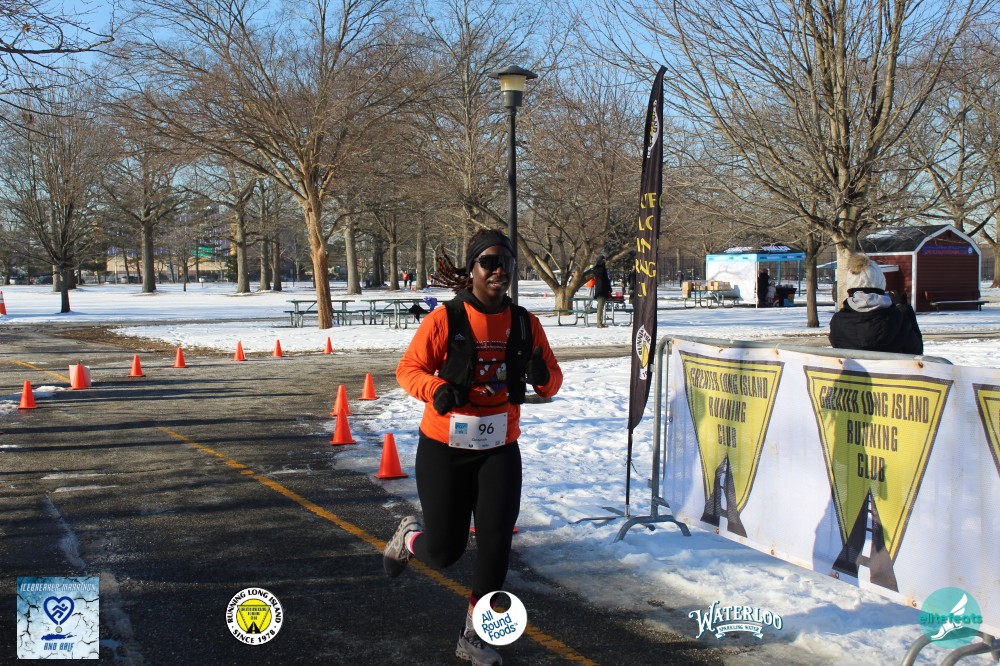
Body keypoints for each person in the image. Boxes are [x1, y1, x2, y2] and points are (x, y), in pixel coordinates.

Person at [385, 229, 563, 666]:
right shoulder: (445, 319)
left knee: (496, 544)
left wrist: (543, 376)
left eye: (507, 262)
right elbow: (408, 369)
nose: (499, 270)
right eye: (489, 262)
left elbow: (552, 381)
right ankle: (410, 537)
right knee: (445, 552)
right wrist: (436, 389)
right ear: (472, 268)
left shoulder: (525, 323)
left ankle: (475, 636)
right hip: (444, 447)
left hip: (500, 447)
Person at [829, 253, 923, 355]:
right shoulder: (898, 319)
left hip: (852, 366)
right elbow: (916, 351)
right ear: (880, 283)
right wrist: (904, 309)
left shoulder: (837, 321)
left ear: (850, 285)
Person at [592, 255, 612, 328]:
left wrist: (609, 288)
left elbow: (606, 280)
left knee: (601, 307)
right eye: (604, 260)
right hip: (600, 290)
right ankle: (599, 322)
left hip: (604, 290)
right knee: (600, 308)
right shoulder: (598, 269)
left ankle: (600, 322)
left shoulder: (603, 269)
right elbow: (601, 276)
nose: (605, 262)